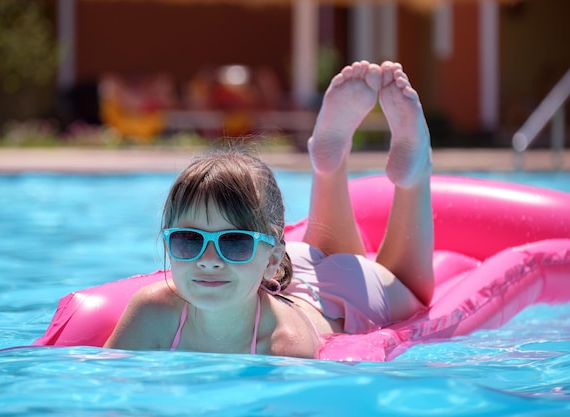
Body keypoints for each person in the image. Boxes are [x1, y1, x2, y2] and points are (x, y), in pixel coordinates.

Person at [104, 61, 434, 358]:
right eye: (188, 240)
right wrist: (244, 250)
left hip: (343, 298)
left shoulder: (286, 348)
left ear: (273, 259)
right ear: (167, 245)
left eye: (233, 241)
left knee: (415, 292)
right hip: (270, 272)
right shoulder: (149, 311)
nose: (208, 258)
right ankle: (329, 163)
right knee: (327, 251)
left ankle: (413, 177)